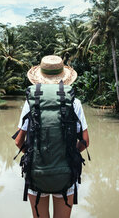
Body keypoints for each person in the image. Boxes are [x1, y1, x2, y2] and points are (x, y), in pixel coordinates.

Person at [14, 55, 90, 218]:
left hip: (36, 173)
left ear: (39, 77)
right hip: (65, 174)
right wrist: (68, 154)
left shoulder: (31, 102)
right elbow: (85, 141)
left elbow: (19, 141)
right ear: (65, 77)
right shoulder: (74, 102)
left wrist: (33, 154)